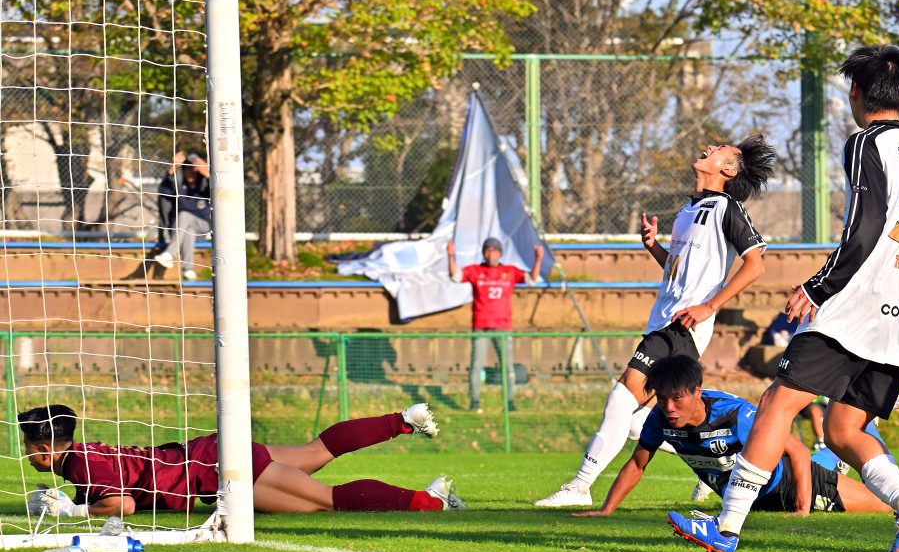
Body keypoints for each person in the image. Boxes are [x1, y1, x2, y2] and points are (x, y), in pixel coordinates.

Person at [669, 44, 899, 552]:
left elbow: (863, 229)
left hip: (855, 305)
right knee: (844, 429)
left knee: (777, 403)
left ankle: (726, 527)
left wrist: (816, 286)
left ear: (857, 91)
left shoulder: (866, 142)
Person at [535, 135, 775, 508]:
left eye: (722, 150)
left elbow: (756, 266)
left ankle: (579, 487)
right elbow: (678, 270)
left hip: (683, 327)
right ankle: (718, 465)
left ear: (729, 170)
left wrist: (709, 306)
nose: (711, 147)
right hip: (662, 322)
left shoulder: (728, 207)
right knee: (638, 423)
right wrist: (655, 248)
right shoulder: (687, 210)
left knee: (621, 399)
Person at [572, 356, 891, 527]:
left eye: (677, 399)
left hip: (788, 484)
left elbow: (796, 450)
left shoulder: (736, 415)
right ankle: (848, 440)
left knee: (884, 507)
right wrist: (607, 510)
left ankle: (861, 417)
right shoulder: (659, 419)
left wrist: (802, 509)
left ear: (697, 391)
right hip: (748, 501)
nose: (669, 408)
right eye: (663, 399)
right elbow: (636, 464)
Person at [19, 402, 465, 517]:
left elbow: (124, 505)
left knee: (324, 501)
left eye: (27, 446)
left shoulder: (80, 464)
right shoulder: (85, 454)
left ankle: (430, 502)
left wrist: (72, 510)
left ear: (44, 448)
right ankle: (402, 421)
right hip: (209, 452)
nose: (25, 454)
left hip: (216, 469)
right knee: (314, 452)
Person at [447, 237, 543, 412]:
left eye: (495, 250)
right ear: (483, 254)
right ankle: (474, 402)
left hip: (502, 326)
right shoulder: (476, 271)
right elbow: (455, 276)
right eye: (488, 250)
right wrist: (451, 256)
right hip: (481, 325)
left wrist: (538, 259)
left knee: (507, 366)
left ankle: (509, 402)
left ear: (500, 253)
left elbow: (531, 280)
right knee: (476, 365)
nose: (492, 254)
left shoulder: (509, 271)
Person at [153, 151, 211, 281]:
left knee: (184, 215)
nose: (190, 172)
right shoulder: (179, 186)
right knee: (189, 230)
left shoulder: (205, 186)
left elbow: (218, 190)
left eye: (193, 169)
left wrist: (207, 173)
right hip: (183, 230)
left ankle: (169, 254)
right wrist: (172, 168)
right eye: (187, 169)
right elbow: (164, 191)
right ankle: (188, 269)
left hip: (204, 227)